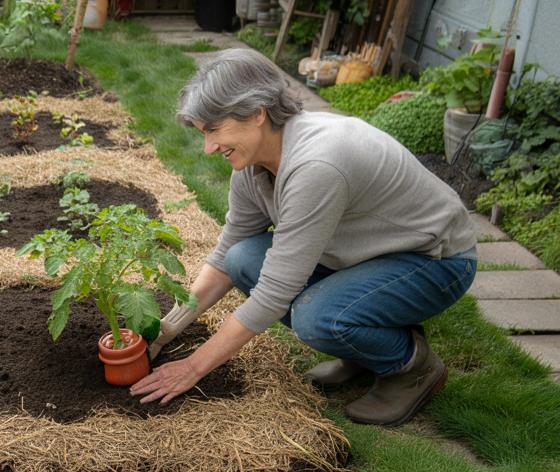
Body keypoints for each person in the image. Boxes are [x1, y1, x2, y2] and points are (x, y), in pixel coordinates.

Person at [129, 48, 477, 426]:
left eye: (214, 130)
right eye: (203, 133)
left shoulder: (316, 165)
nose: (208, 147)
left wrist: (192, 368)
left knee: (315, 317)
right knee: (242, 259)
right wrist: (163, 334)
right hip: (368, 254)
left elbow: (276, 292)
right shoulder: (253, 161)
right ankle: (364, 348)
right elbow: (228, 251)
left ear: (257, 113)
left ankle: (411, 367)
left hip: (434, 259)